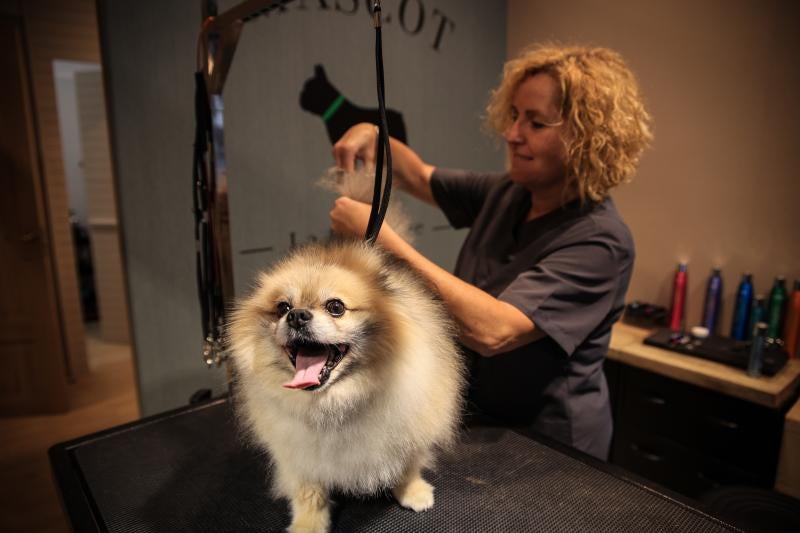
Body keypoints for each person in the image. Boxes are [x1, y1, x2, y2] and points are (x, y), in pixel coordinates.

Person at [329, 43, 652, 460]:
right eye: (515, 115)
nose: (513, 134)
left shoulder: (600, 242)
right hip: (485, 423)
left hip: (553, 448)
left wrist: (379, 237)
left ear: (586, 138)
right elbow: (420, 177)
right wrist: (374, 135)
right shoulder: (510, 193)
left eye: (535, 123)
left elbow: (493, 330)